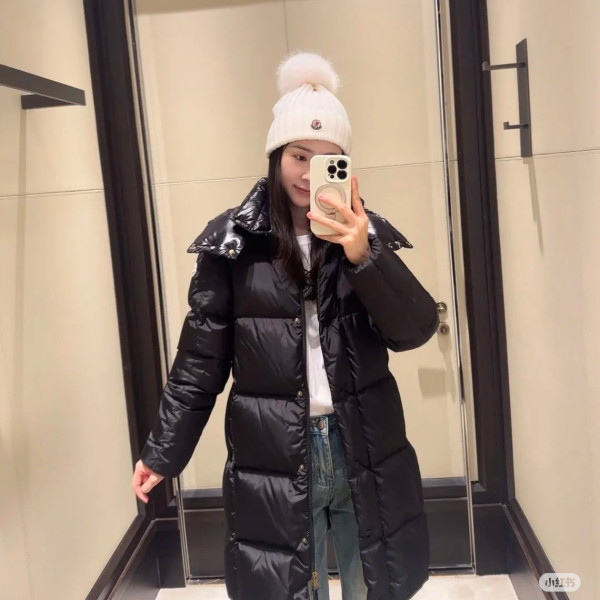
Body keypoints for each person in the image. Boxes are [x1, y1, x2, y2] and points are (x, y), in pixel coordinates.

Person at [132, 51, 439, 600]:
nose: (308, 172)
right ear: (277, 156)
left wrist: (363, 255)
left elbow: (413, 330)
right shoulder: (233, 245)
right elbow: (199, 365)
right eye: (300, 155)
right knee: (292, 588)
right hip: (274, 451)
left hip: (362, 444)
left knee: (372, 584)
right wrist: (163, 452)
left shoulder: (365, 237)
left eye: (328, 160)